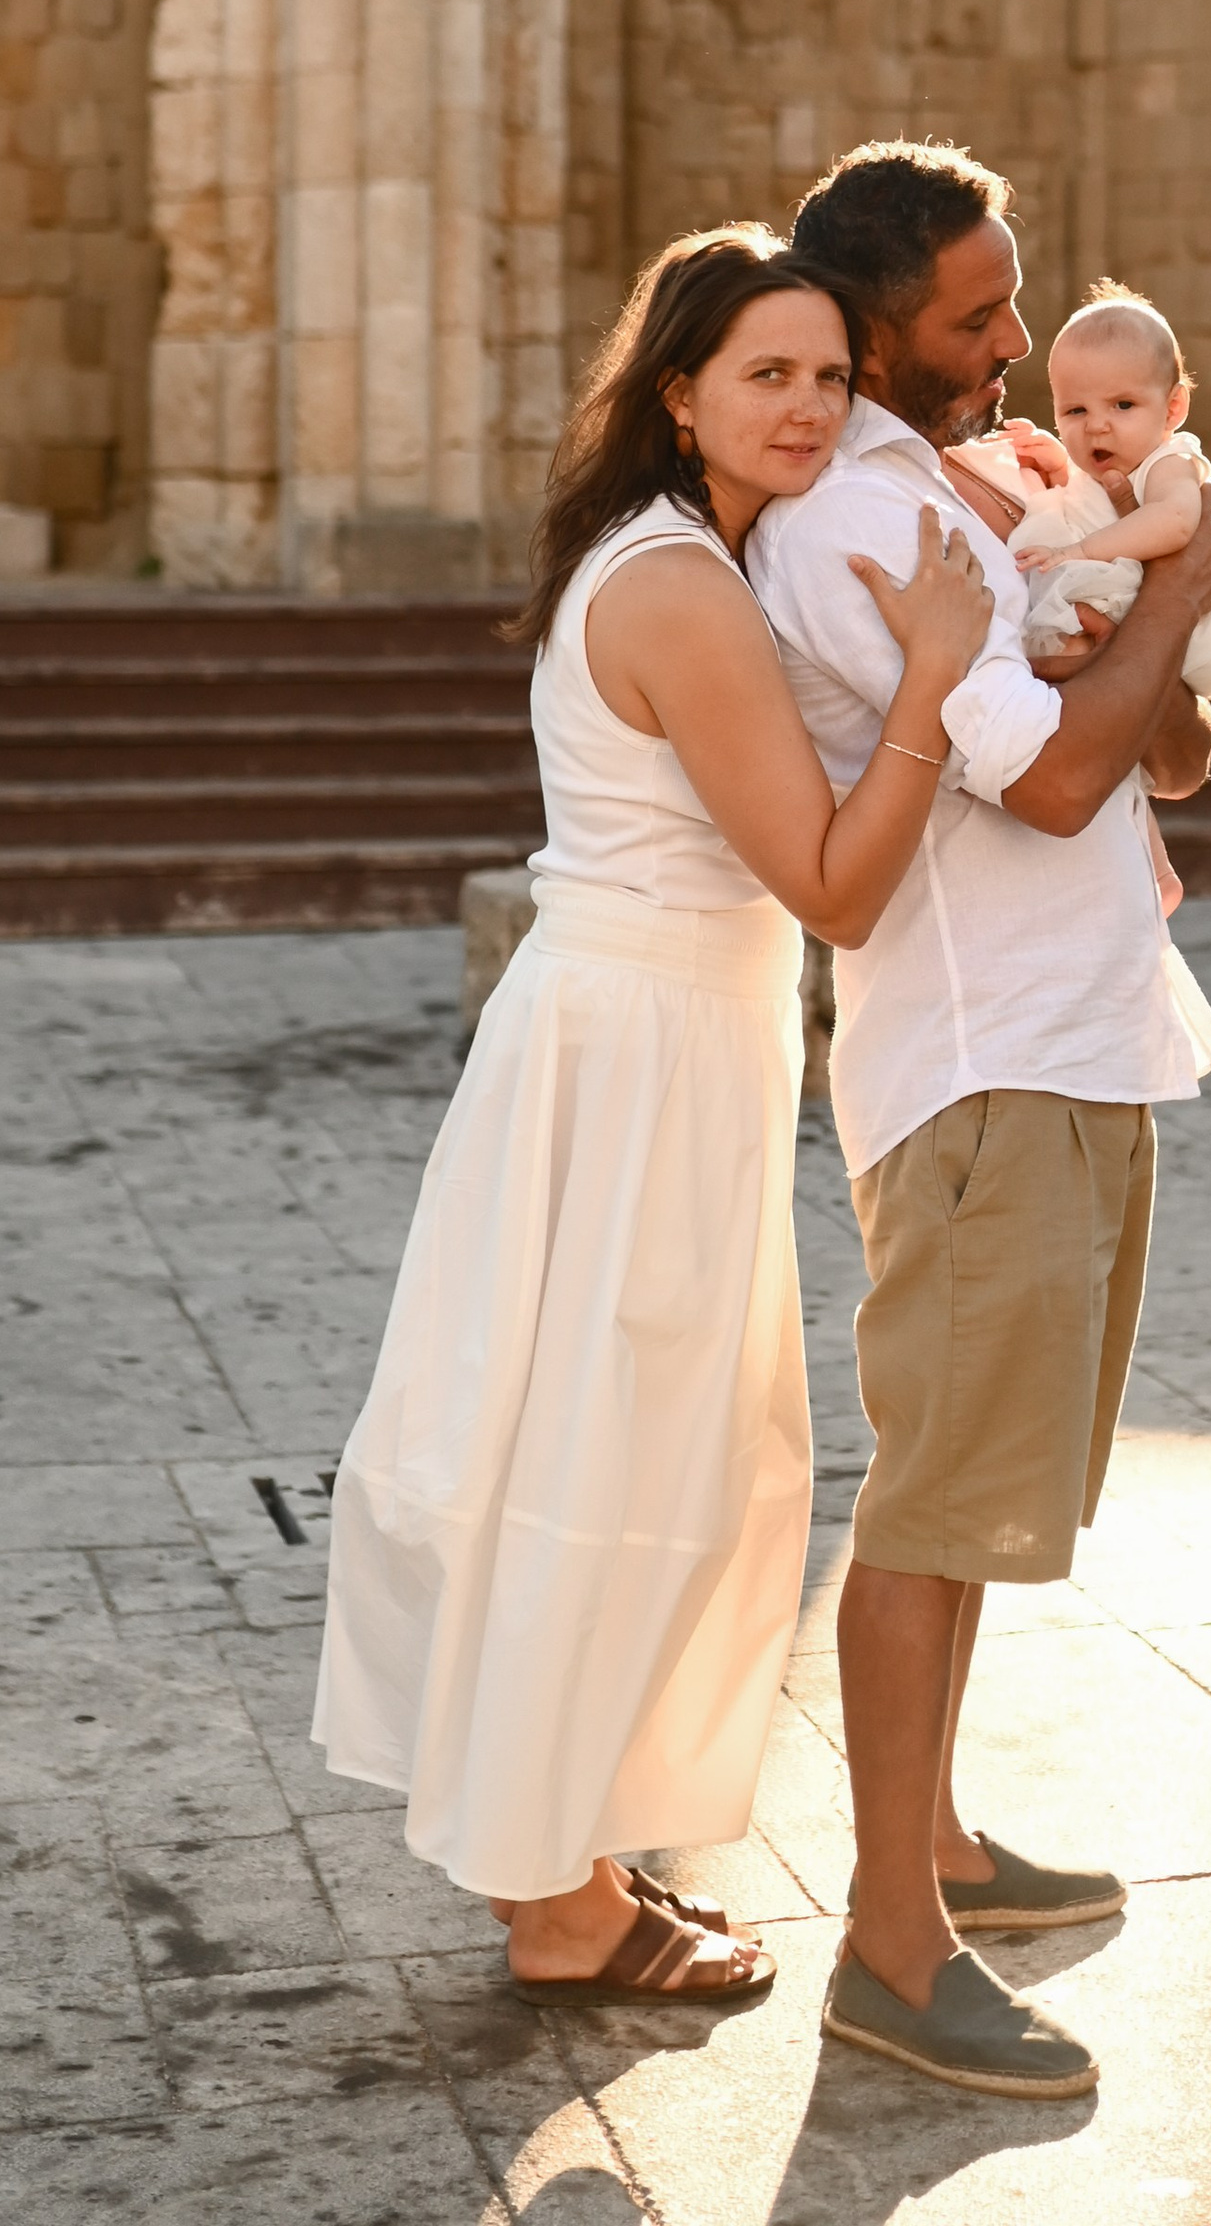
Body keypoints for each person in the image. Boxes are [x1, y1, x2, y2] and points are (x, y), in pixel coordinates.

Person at [312, 227, 994, 2009]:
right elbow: (836, 885)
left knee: (614, 1449)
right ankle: (558, 1900)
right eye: (766, 373)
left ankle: (564, 1862)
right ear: (678, 393)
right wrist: (938, 662)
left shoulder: (684, 558)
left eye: (832, 377)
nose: (808, 405)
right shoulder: (683, 590)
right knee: (615, 1457)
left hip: (654, 1035)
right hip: (637, 1057)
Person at [749, 142, 1211, 2102]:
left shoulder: (983, 486)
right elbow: (1040, 790)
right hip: (975, 1067)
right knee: (931, 1501)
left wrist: (1166, 617)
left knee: (978, 1499)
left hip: (1080, 1035)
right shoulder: (849, 532)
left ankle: (934, 1837)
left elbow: (1152, 752)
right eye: (977, 316)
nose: (1018, 343)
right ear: (875, 324)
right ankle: (888, 1944)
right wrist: (1174, 587)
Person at [951, 281, 1211, 695]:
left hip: (1199, 638)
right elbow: (1093, 501)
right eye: (1076, 410)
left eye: (1123, 405)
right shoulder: (1113, 461)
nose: (1096, 425)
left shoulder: (1169, 462)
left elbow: (1176, 520)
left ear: (1173, 409)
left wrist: (1080, 551)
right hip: (1125, 620)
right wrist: (1061, 465)